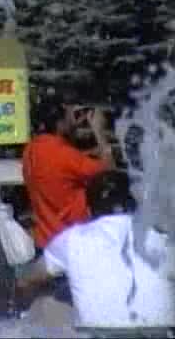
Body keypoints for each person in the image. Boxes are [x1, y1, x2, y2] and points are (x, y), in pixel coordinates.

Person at [14, 171, 175, 335]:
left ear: (89, 210)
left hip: (98, 333)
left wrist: (18, 304)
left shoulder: (72, 238)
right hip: (160, 333)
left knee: (45, 303)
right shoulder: (163, 238)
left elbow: (27, 281)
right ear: (135, 203)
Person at [23, 91, 115, 251]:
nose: (76, 118)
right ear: (59, 121)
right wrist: (99, 131)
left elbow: (62, 170)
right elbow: (111, 173)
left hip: (47, 240)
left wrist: (71, 128)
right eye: (71, 114)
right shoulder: (63, 154)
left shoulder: (31, 149)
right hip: (72, 240)